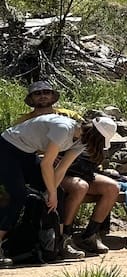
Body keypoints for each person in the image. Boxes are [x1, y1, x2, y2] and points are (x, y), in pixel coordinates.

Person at [0, 113, 117, 267]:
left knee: (59, 192)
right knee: (18, 195)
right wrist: (51, 192)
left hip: (26, 153)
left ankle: (58, 243)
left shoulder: (82, 141)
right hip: (6, 148)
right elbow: (46, 164)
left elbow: (61, 169)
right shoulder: (63, 129)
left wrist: (52, 191)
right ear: (96, 138)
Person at [16, 81, 118, 255]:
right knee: (80, 187)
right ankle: (65, 238)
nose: (42, 95)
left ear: (53, 95)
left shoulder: (68, 115)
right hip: (50, 167)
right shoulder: (23, 120)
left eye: (46, 92)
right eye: (38, 93)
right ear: (31, 98)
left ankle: (90, 236)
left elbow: (83, 137)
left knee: (112, 187)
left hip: (76, 165)